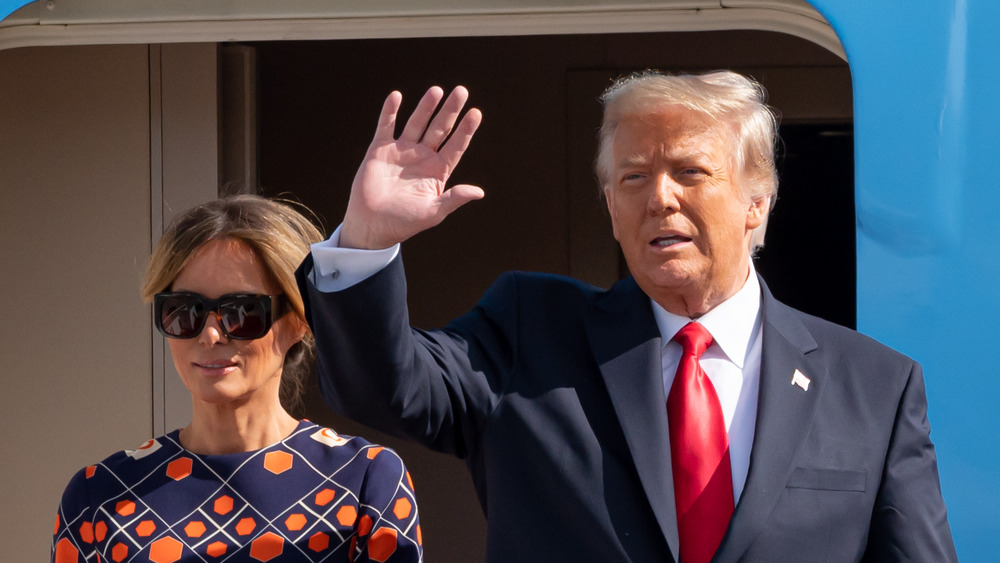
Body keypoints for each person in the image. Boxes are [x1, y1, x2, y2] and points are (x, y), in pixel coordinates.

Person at [296, 73, 957, 561]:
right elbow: (387, 388)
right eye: (633, 180)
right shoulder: (532, 330)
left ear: (757, 201)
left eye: (690, 172)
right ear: (612, 210)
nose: (660, 198)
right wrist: (368, 239)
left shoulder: (873, 386)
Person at [52, 195, 422, 563]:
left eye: (242, 312)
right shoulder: (99, 495)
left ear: (297, 321)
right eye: (183, 311)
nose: (210, 335)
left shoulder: (364, 480)